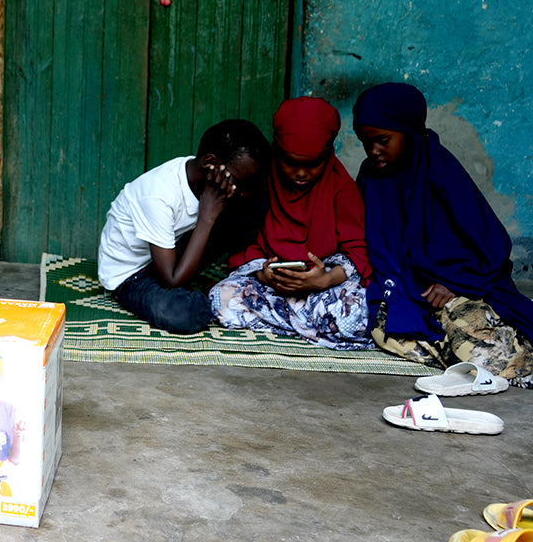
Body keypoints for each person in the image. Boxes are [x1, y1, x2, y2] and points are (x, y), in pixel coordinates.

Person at [353, 82, 533, 387]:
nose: (373, 151)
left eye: (383, 140)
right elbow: (371, 242)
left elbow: (490, 244)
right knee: (385, 328)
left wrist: (452, 282)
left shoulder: (441, 171)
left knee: (476, 344)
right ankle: (446, 348)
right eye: (365, 142)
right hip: (405, 288)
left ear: (408, 133)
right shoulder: (372, 177)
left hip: (460, 287)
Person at [208, 97, 373, 349]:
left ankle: (294, 324)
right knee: (221, 298)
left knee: (357, 314)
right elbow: (245, 239)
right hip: (272, 287)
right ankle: (309, 327)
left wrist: (323, 280)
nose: (300, 173)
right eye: (290, 162)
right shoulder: (260, 180)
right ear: (276, 150)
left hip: (322, 289)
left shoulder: (340, 186)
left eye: (312, 164)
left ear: (328, 154)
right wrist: (263, 273)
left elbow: (358, 251)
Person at [97, 119, 270, 333]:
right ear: (210, 163)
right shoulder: (158, 195)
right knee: (185, 314)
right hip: (133, 274)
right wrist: (207, 215)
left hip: (170, 253)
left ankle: (230, 281)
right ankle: (211, 296)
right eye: (239, 182)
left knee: (254, 203)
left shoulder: (210, 179)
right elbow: (172, 280)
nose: (243, 191)